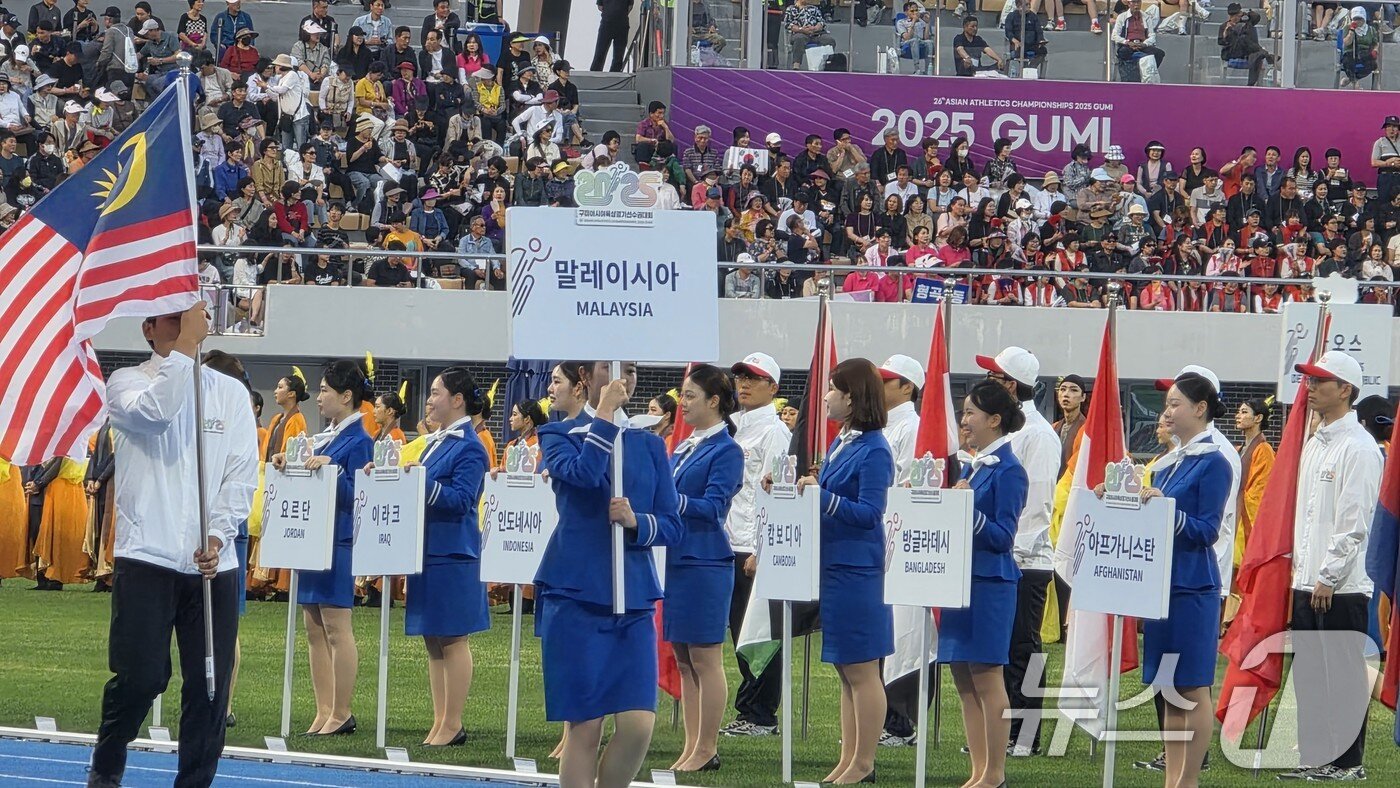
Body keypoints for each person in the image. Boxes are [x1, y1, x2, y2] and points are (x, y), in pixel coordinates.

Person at [88, 304, 258, 788]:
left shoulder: (228, 393)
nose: (183, 325)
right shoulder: (126, 383)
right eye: (171, 318)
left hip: (212, 565)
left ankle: (194, 782)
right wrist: (184, 349)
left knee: (209, 688)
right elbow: (156, 414)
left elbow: (241, 474)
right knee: (141, 677)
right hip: (147, 556)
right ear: (149, 328)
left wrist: (217, 534)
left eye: (188, 316)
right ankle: (107, 762)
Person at [535, 361, 681, 787]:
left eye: (631, 369)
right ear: (586, 376)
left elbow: (672, 525)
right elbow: (582, 474)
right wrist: (603, 416)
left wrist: (637, 522)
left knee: (638, 724)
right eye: (611, 366)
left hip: (633, 597)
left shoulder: (649, 443)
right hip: (576, 594)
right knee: (585, 725)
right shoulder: (557, 434)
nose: (624, 377)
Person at [769, 358, 891, 785]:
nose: (825, 397)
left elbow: (870, 512)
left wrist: (823, 496)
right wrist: (790, 488)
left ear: (852, 398)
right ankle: (849, 757)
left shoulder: (875, 449)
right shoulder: (844, 441)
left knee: (861, 669)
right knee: (845, 670)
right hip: (835, 565)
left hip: (858, 570)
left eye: (833, 390)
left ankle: (864, 762)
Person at [1109, 373, 1231, 787]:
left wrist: (1168, 511)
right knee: (1168, 689)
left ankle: (1187, 779)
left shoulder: (1214, 461)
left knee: (1191, 687)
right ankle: (1173, 778)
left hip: (1192, 587)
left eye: (1176, 404)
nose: (1168, 411)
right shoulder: (1167, 463)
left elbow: (1207, 530)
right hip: (1159, 584)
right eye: (1167, 404)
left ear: (1200, 408)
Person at [1280, 351, 1382, 781]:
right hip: (1308, 579)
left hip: (1341, 585)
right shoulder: (1314, 443)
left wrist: (1328, 574)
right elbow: (1305, 518)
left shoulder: (1359, 448)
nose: (1310, 387)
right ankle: (1316, 755)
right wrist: (1302, 574)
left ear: (1345, 390)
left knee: (1342, 675)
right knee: (1309, 675)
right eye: (1309, 379)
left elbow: (1354, 522)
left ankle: (1348, 762)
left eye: (1320, 381)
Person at [378, 368, 491, 747]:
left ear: (457, 400)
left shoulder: (470, 446)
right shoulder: (434, 443)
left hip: (453, 552)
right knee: (433, 639)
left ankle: (453, 722)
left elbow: (462, 500)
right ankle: (441, 721)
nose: (428, 400)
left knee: (453, 638)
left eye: (436, 392)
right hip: (426, 550)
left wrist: (421, 481)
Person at [271, 360, 374, 737]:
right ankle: (324, 709)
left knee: (335, 627)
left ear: (346, 396)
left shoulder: (360, 441)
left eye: (325, 390)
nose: (318, 397)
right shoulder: (323, 437)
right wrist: (289, 464)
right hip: (311, 540)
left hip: (337, 541)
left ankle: (342, 711)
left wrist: (332, 471)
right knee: (313, 628)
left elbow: (360, 496)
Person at [975, 346, 1060, 756]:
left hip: (1025, 558)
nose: (987, 382)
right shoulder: (1007, 433)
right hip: (1003, 554)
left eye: (994, 377)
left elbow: (1039, 503)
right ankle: (1002, 732)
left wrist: (1015, 551)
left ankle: (1025, 736)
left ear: (1010, 385)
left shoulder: (1038, 434)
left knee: (1023, 649)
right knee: (1000, 650)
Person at [945, 380, 1027, 788]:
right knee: (964, 681)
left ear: (994, 420)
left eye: (970, 413)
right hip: (960, 581)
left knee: (987, 677)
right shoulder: (973, 466)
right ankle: (977, 770)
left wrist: (968, 512)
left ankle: (994, 773)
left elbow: (1002, 536)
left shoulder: (1010, 470)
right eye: (963, 413)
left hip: (990, 583)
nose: (964, 421)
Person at [665, 365, 744, 773]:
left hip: (705, 562)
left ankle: (707, 746)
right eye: (683, 395)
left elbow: (714, 507)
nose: (683, 403)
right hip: (677, 558)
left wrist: (671, 502)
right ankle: (691, 745)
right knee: (683, 659)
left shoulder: (727, 450)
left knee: (705, 658)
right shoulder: (685, 445)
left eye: (691, 396)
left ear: (714, 401)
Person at [721, 352, 793, 739]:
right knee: (739, 631)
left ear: (773, 387)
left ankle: (760, 713)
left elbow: (774, 493)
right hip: (729, 540)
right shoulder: (733, 426)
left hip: (752, 546)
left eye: (754, 378)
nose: (744, 384)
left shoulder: (775, 432)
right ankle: (751, 709)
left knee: (759, 634)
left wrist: (762, 550)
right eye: (740, 377)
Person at [876, 354, 932, 747]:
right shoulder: (883, 426)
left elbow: (910, 488)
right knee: (888, 632)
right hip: (882, 539)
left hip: (902, 540)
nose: (879, 386)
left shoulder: (912, 428)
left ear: (907, 387)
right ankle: (888, 716)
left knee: (906, 634)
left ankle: (901, 720)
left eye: (887, 380)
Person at [1227, 397, 1275, 623]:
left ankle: (1239, 620)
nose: (1239, 416)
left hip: (1246, 521)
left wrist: (1240, 501)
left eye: (1245, 412)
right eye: (1239, 411)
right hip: (1233, 516)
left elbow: (1261, 492)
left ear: (1258, 418)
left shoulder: (1263, 450)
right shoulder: (1239, 449)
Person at [592, 0, 632, 72]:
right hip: (614, 23)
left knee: (616, 56)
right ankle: (596, 73)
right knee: (601, 54)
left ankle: (611, 73)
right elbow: (630, 6)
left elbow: (600, 6)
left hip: (616, 23)